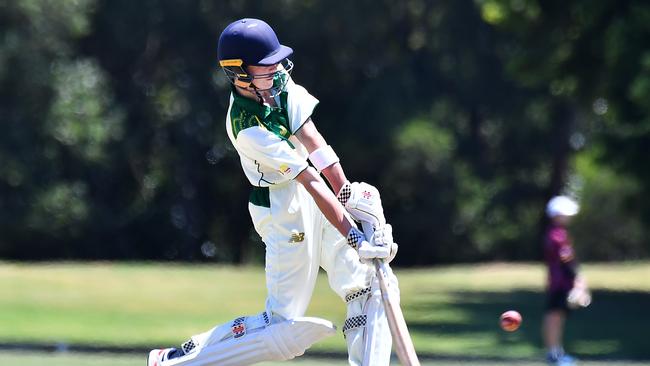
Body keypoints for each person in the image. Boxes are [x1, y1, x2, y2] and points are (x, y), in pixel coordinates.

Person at [147, 18, 399, 366]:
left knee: (366, 288)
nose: (278, 71)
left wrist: (351, 201)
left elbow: (316, 146)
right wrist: (355, 238)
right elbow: (309, 179)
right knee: (283, 328)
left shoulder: (275, 84)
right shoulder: (247, 128)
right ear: (239, 74)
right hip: (283, 210)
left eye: (278, 63)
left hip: (318, 199)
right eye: (267, 67)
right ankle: (177, 361)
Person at [542, 195, 590, 366]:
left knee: (556, 318)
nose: (569, 217)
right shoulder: (558, 235)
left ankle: (556, 352)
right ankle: (554, 354)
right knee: (555, 318)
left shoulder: (555, 233)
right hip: (560, 284)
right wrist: (579, 282)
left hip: (557, 283)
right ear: (557, 215)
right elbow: (567, 262)